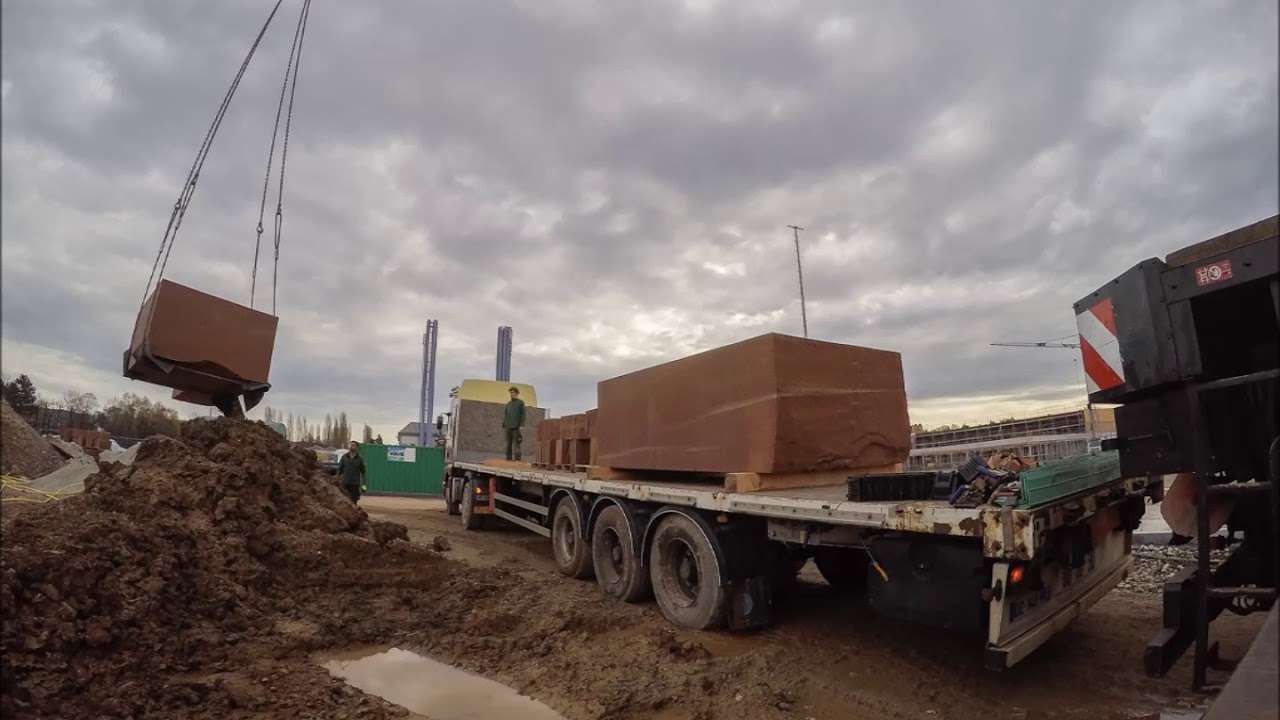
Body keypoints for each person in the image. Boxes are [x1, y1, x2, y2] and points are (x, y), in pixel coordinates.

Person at [337, 441, 366, 505]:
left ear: (357, 447)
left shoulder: (360, 459)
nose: (351, 447)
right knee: (344, 503)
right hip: (345, 484)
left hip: (354, 485)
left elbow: (363, 472)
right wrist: (336, 480)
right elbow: (339, 470)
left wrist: (364, 485)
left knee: (353, 503)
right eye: (351, 445)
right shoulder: (344, 457)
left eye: (353, 445)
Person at [503, 386, 526, 461]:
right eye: (510, 393)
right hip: (508, 426)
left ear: (516, 393)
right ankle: (508, 458)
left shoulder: (520, 403)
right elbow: (506, 414)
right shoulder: (508, 404)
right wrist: (504, 423)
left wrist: (522, 424)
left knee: (516, 443)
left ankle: (517, 459)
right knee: (508, 443)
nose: (511, 394)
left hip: (516, 426)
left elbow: (523, 414)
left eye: (512, 392)